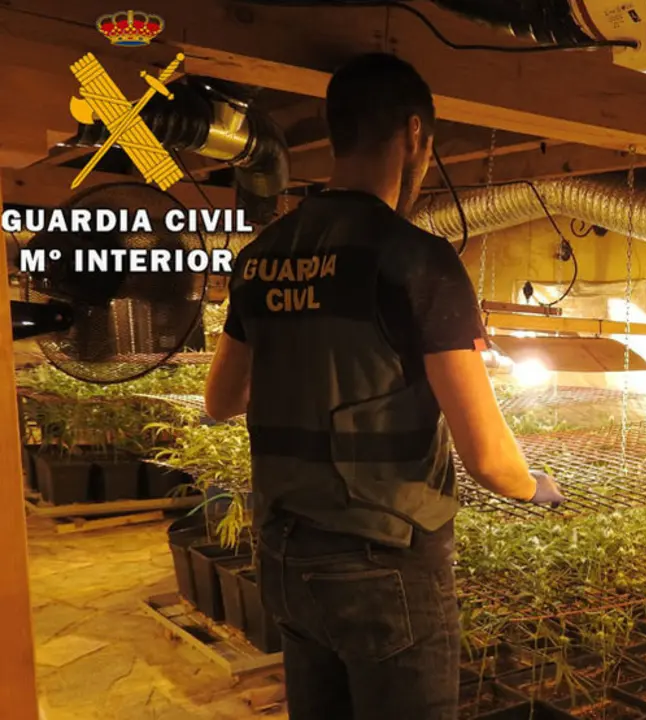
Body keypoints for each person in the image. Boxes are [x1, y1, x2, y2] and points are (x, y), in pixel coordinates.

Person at [203, 52, 565, 720]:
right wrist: (535, 486)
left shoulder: (261, 258)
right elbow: (488, 460)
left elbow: (220, 401)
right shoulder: (415, 259)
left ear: (336, 133)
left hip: (285, 555)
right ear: (415, 136)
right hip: (384, 565)